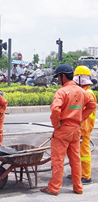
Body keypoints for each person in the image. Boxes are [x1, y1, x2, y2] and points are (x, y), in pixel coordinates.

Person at [40, 64, 96, 196]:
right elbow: (92, 105)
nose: (58, 80)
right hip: (76, 130)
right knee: (75, 159)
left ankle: (54, 188)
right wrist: (80, 118)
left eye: (58, 77)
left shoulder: (62, 92)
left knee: (58, 160)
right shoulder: (82, 91)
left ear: (62, 76)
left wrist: (56, 123)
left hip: (63, 130)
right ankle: (78, 187)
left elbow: (55, 109)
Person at [69, 65, 96, 185]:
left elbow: (85, 114)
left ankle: (86, 176)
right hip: (81, 127)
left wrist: (81, 129)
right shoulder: (84, 92)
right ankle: (78, 173)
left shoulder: (88, 94)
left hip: (84, 128)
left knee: (84, 153)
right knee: (76, 152)